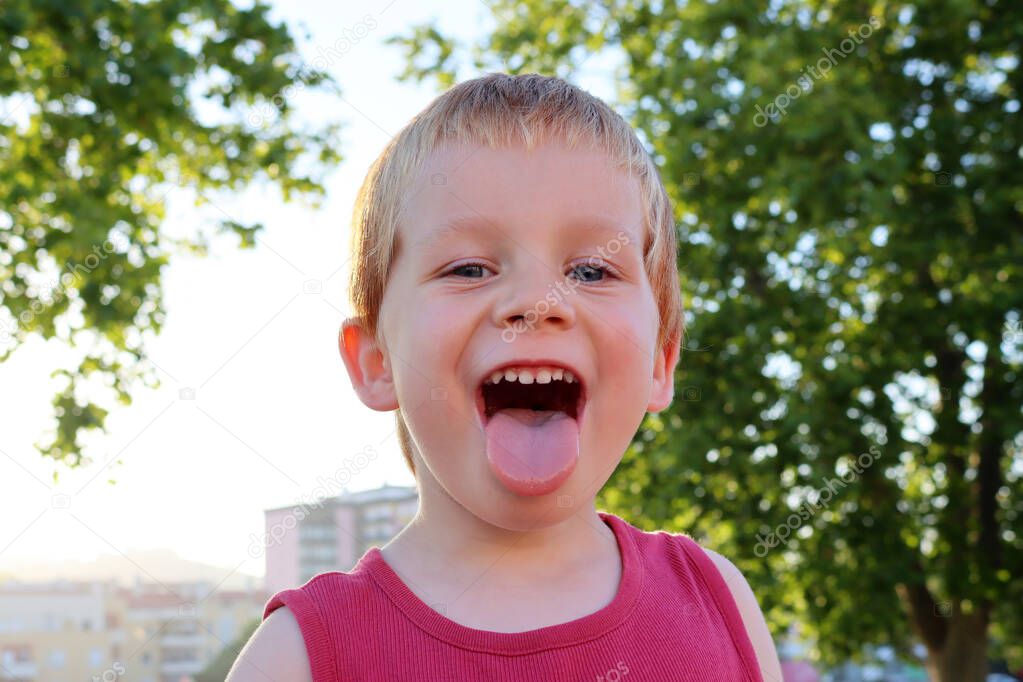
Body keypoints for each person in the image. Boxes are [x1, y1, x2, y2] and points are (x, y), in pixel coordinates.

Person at [227, 72, 782, 681]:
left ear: (658, 362)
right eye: (468, 268)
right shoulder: (298, 658)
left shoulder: (717, 599)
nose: (537, 301)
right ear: (376, 361)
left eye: (593, 270)